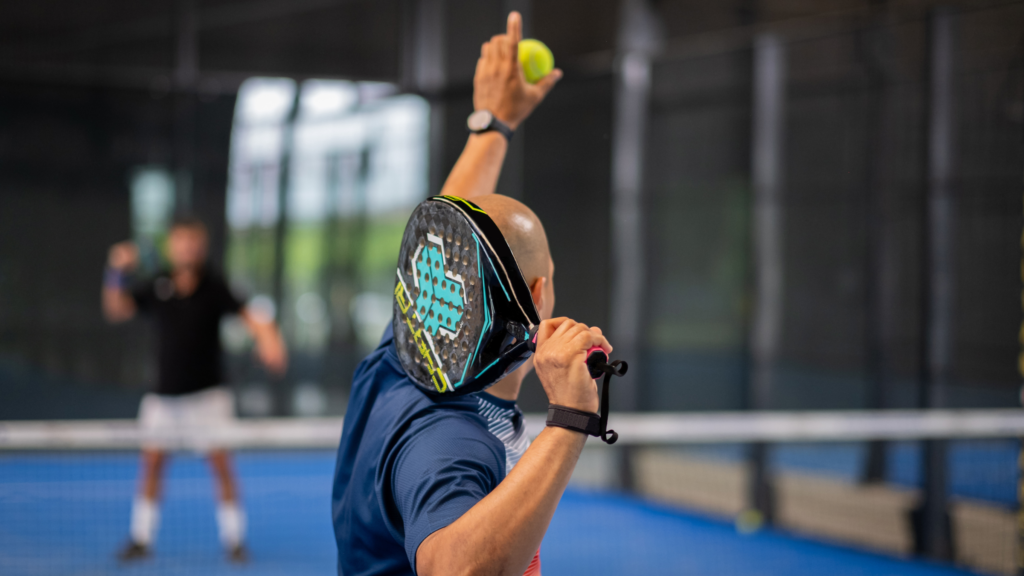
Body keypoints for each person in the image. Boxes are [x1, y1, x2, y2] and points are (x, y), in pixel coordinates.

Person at [332, 11, 613, 576]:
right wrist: (569, 421)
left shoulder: (403, 354)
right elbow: (453, 570)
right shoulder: (452, 440)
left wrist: (494, 124)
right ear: (538, 292)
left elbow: (447, 242)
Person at [102, 214, 287, 562]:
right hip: (163, 398)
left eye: (194, 241)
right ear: (171, 245)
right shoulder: (156, 284)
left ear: (201, 246)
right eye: (181, 240)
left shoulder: (215, 287)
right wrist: (116, 270)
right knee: (152, 464)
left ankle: (234, 540)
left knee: (221, 465)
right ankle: (141, 538)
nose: (188, 247)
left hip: (208, 397)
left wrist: (269, 339)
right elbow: (116, 308)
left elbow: (253, 317)